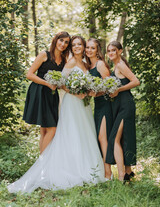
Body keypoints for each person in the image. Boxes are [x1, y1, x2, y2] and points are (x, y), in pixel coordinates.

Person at [7, 35, 105, 193]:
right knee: (63, 132)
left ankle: (84, 166)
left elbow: (68, 82)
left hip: (84, 105)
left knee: (83, 134)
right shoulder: (69, 62)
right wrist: (75, 92)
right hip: (70, 102)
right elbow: (63, 83)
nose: (76, 47)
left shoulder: (84, 64)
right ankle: (43, 165)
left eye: (79, 44)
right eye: (73, 44)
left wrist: (88, 91)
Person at [23, 31, 71, 154]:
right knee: (53, 129)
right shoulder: (45, 55)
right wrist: (47, 83)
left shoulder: (64, 60)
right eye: (61, 40)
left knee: (45, 130)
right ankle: (42, 163)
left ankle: (41, 168)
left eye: (66, 42)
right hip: (40, 92)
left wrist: (72, 90)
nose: (63, 44)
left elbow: (60, 83)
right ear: (56, 40)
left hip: (52, 96)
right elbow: (29, 74)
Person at [106, 40, 140, 181]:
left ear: (120, 51)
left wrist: (119, 89)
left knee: (114, 138)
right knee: (124, 137)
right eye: (109, 51)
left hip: (126, 105)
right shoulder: (114, 67)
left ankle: (122, 176)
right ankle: (129, 171)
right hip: (119, 106)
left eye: (114, 50)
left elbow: (136, 81)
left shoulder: (121, 65)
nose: (111, 53)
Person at [85, 38, 113, 180]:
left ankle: (108, 172)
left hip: (106, 104)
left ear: (97, 50)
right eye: (87, 48)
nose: (89, 50)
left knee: (103, 138)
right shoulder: (89, 67)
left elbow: (110, 86)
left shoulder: (100, 64)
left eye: (92, 48)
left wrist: (97, 92)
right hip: (97, 104)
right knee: (99, 138)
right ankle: (104, 169)